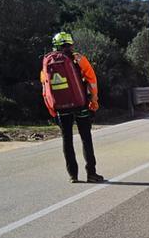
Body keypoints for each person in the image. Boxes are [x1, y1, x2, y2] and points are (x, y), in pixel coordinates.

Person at [40, 31, 103, 183]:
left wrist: (52, 110)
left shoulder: (47, 61)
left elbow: (45, 88)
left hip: (61, 108)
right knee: (86, 138)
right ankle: (91, 174)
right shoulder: (78, 59)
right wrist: (93, 104)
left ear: (55, 46)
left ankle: (73, 175)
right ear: (71, 44)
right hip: (80, 104)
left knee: (67, 140)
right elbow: (91, 80)